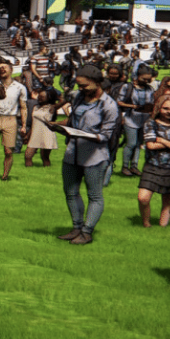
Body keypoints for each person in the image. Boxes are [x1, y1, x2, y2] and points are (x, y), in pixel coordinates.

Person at [49, 64, 120, 245]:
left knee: (94, 195)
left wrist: (85, 135)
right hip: (72, 152)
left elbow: (106, 135)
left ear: (97, 82)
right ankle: (76, 227)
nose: (81, 89)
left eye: (84, 86)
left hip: (94, 156)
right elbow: (73, 120)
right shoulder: (79, 98)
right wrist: (57, 126)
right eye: (79, 86)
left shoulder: (109, 105)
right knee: (70, 192)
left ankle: (87, 232)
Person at [136, 95, 170, 230]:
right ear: (159, 108)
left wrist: (163, 141)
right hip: (152, 166)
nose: (169, 111)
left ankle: (162, 227)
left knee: (167, 201)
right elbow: (151, 145)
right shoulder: (151, 124)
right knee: (143, 198)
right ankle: (146, 224)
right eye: (166, 108)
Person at [0, 63, 24, 181]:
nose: (2, 69)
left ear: (11, 70)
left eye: (4, 67)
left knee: (8, 151)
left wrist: (24, 125)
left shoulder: (19, 87)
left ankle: (5, 176)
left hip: (10, 119)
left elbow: (23, 107)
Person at [25, 84, 60, 168]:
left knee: (45, 157)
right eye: (39, 96)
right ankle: (28, 171)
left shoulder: (51, 107)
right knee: (28, 156)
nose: (40, 98)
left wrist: (50, 88)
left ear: (49, 98)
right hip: (35, 134)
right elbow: (34, 123)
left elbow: (63, 100)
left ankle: (47, 171)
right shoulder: (35, 107)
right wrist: (28, 135)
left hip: (46, 134)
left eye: (42, 97)